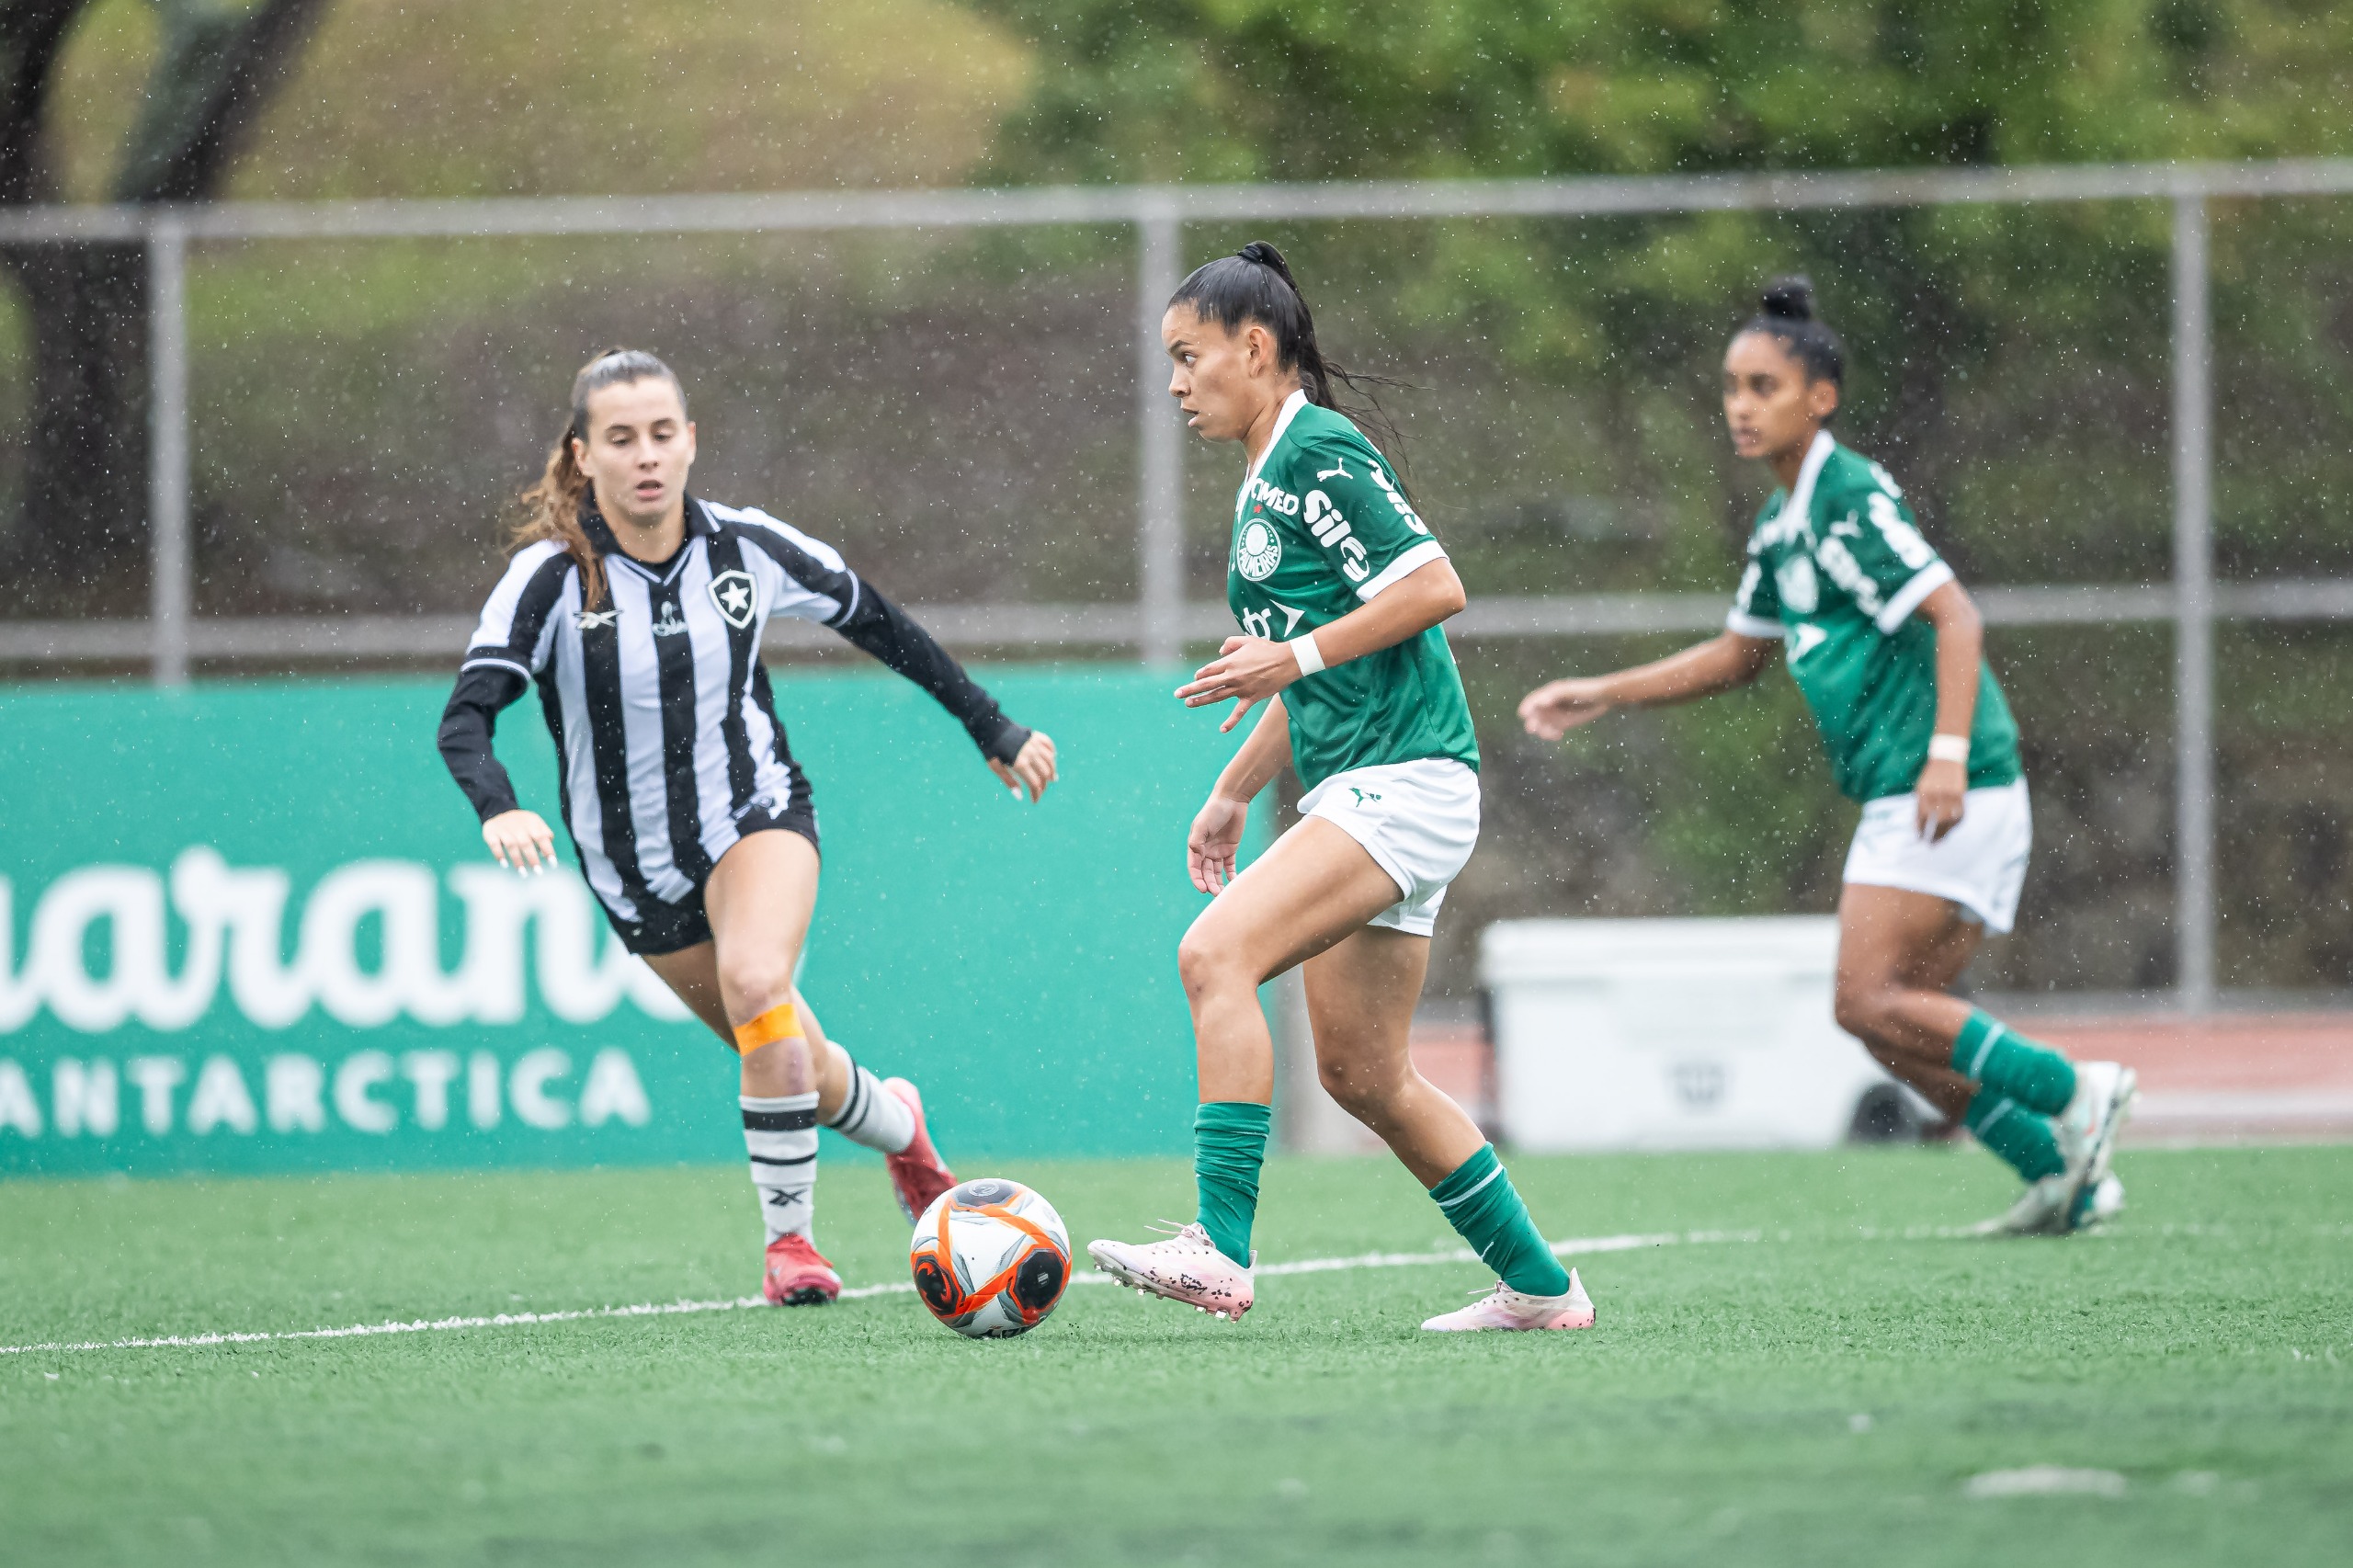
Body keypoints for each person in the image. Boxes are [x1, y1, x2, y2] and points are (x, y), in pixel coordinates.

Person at [438, 348, 1059, 1303]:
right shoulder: (549, 579)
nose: (646, 455)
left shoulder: (747, 547)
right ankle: (902, 1127)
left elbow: (879, 622)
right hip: (632, 872)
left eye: (661, 433)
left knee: (759, 983)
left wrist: (990, 724)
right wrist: (501, 803)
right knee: (788, 1055)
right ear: (584, 456)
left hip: (755, 814)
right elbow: (466, 718)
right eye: (620, 439)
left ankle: (790, 1246)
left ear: (690, 441)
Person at [1517, 279, 2134, 1235]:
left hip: (1946, 786)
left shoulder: (1846, 500)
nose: (1740, 404)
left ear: (1821, 398)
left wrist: (1944, 754)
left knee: (1869, 1000)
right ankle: (2060, 1172)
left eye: (1763, 386)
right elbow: (1738, 655)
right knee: (1885, 1017)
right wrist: (1605, 690)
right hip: (1910, 792)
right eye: (1732, 387)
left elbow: (1956, 616)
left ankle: (2071, 1090)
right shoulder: (1781, 526)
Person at [1086, 244, 1595, 1332]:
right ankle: (1542, 1288)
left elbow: (1435, 586)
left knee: (1214, 954)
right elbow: (1320, 663)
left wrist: (1292, 654)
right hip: (1376, 785)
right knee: (1365, 1074)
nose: (1174, 383)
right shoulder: (1269, 469)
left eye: (1188, 356)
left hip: (1402, 780)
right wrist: (1234, 788)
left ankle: (1220, 1248)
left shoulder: (1315, 449)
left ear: (1253, 347)